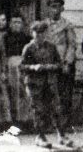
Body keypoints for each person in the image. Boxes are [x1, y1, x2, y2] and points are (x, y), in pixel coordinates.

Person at [20, 20, 73, 149]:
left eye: (42, 33)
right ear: (32, 33)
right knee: (38, 110)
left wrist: (50, 66)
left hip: (50, 82)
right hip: (34, 84)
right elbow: (22, 66)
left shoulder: (51, 47)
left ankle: (61, 135)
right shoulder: (29, 48)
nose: (39, 35)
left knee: (56, 109)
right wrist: (34, 67)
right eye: (36, 33)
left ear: (46, 33)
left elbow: (59, 64)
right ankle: (40, 137)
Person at [45, 0, 77, 129]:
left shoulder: (67, 25)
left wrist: (67, 63)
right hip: (48, 62)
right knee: (49, 93)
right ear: (49, 9)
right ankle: (50, 122)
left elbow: (72, 45)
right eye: (52, 7)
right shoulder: (44, 25)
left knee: (65, 93)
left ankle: (65, 123)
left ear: (62, 9)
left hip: (63, 62)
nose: (55, 10)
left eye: (58, 7)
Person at [5, 14, 33, 127]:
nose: (16, 25)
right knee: (12, 92)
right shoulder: (5, 38)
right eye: (14, 22)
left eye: (19, 22)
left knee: (24, 93)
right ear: (10, 24)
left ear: (22, 25)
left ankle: (25, 120)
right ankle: (13, 120)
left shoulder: (27, 38)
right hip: (10, 66)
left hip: (23, 66)